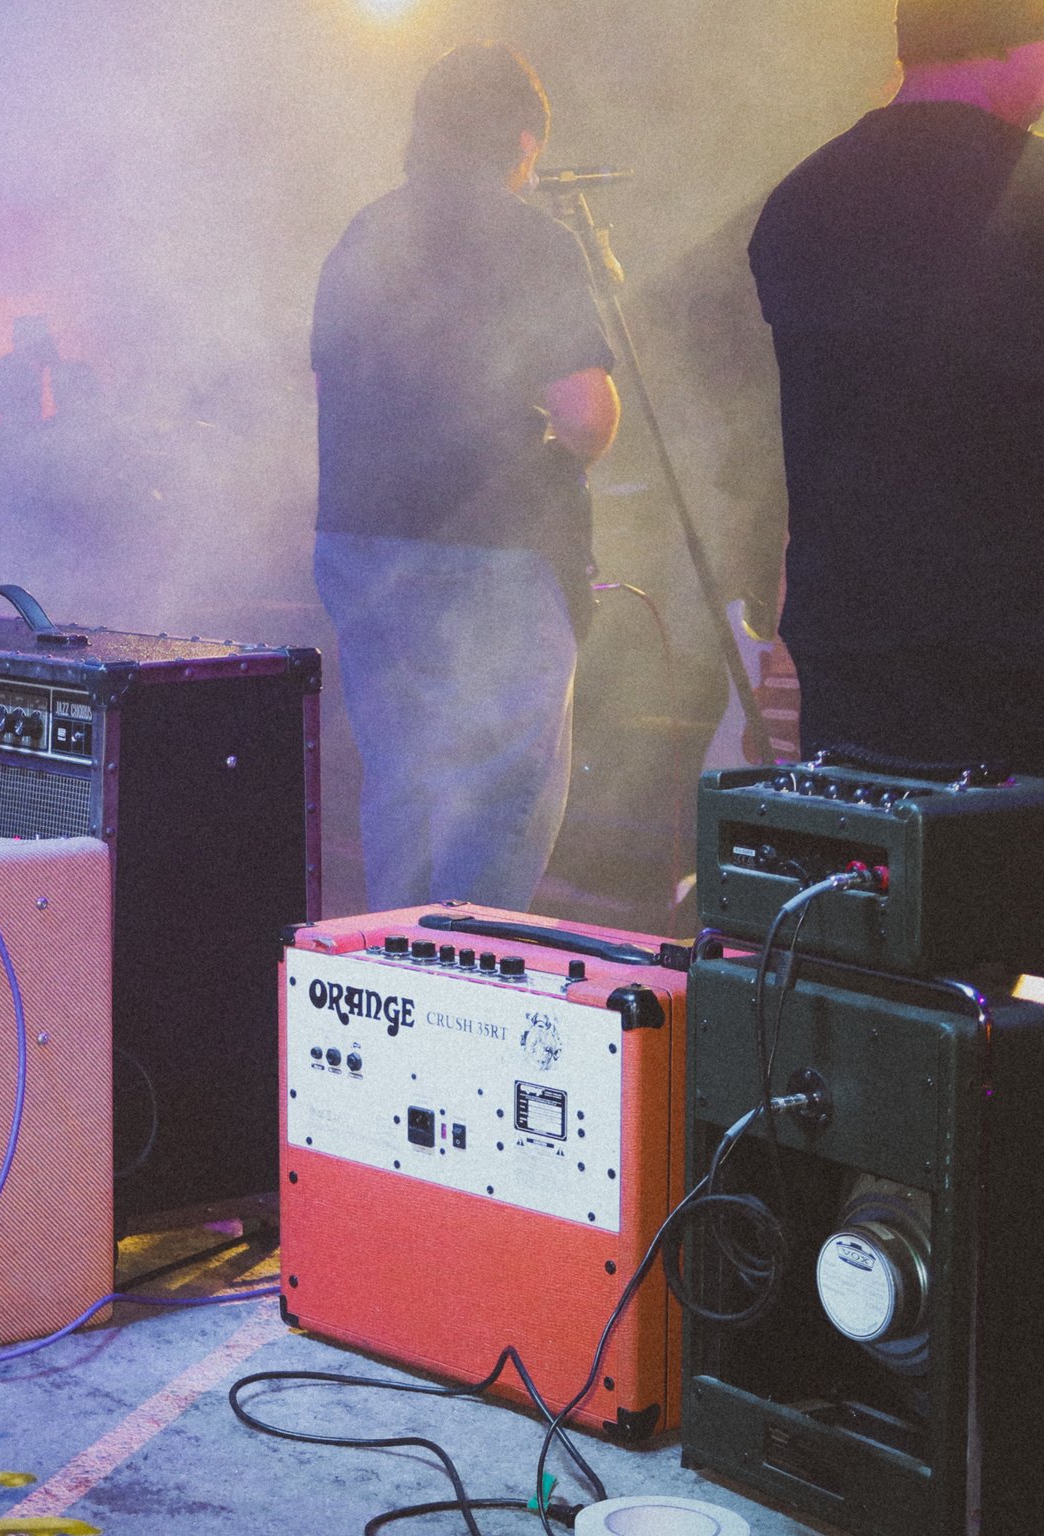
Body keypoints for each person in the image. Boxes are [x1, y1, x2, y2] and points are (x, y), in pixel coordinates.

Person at [750, 0, 1044, 1224]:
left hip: (852, 627)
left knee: (885, 922)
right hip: (1007, 641)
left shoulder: (797, 198)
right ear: (1019, 46)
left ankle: (889, 1198)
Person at [311, 42, 620, 913]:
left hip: (360, 541)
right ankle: (466, 994)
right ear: (522, 142)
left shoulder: (366, 230)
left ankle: (389, 987)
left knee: (404, 786)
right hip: (490, 547)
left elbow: (329, 384)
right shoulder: (533, 240)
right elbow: (587, 414)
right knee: (502, 796)